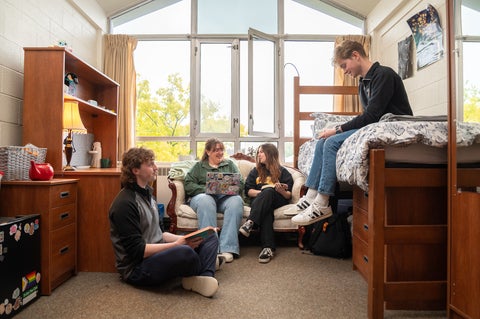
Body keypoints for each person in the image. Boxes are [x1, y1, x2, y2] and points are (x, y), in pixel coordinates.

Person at [292, 39, 413, 226]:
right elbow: (368, 116)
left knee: (331, 142)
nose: (344, 71)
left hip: (390, 128)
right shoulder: (363, 84)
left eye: (344, 65)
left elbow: (372, 115)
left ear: (355, 55)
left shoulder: (384, 75)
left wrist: (337, 129)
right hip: (375, 126)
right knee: (322, 142)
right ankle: (310, 196)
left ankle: (323, 202)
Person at [109, 147, 220, 298]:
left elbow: (161, 233)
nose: (155, 168)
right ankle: (205, 264)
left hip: (158, 252)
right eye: (150, 164)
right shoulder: (125, 204)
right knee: (185, 252)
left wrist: (189, 237)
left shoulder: (148, 195)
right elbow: (137, 251)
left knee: (210, 235)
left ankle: (204, 276)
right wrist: (178, 244)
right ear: (135, 170)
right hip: (137, 268)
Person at [184, 138, 244, 263]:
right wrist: (207, 188)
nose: (220, 152)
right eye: (216, 150)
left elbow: (241, 183)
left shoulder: (230, 164)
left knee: (236, 201)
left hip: (224, 199)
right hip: (202, 198)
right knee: (207, 200)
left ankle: (227, 248)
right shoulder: (199, 166)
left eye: (221, 149)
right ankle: (210, 248)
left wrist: (227, 188)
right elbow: (188, 184)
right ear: (208, 152)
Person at [239, 144, 293, 263]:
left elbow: (289, 195)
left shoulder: (283, 172)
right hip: (260, 200)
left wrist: (280, 191)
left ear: (270, 154)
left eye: (262, 152)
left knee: (269, 191)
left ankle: (250, 222)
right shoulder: (255, 171)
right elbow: (249, 191)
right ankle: (268, 248)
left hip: (278, 199)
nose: (259, 154)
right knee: (266, 208)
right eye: (258, 152)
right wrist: (263, 193)